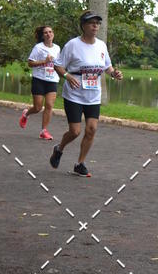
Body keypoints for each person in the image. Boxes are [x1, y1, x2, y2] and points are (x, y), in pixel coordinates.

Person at [49, 11, 122, 177]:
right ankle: (59, 149)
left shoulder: (101, 45)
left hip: (93, 95)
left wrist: (114, 73)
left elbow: (107, 66)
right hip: (74, 95)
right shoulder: (73, 45)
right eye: (91, 22)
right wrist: (67, 76)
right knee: (75, 131)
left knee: (91, 130)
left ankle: (80, 163)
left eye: (97, 23)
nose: (95, 25)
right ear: (83, 26)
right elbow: (58, 65)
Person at [19, 25, 61, 140]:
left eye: (50, 31)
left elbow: (58, 63)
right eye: (46, 32)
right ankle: (26, 114)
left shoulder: (57, 48)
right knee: (37, 107)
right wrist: (44, 61)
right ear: (43, 35)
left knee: (49, 105)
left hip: (52, 79)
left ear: (53, 34)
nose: (49, 34)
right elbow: (30, 63)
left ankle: (44, 131)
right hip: (39, 79)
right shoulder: (38, 48)